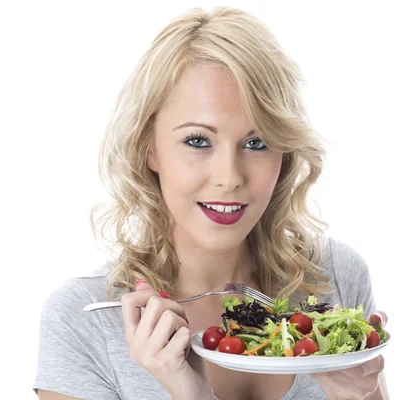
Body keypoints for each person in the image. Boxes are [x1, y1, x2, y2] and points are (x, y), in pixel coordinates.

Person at [34, 6, 389, 400]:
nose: (230, 176)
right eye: (198, 141)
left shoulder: (333, 277)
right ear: (148, 148)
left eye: (257, 143)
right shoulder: (84, 321)